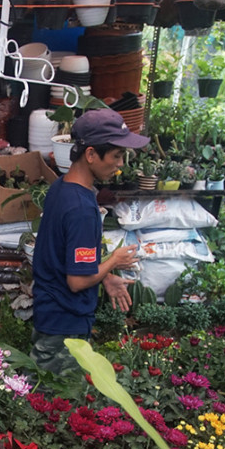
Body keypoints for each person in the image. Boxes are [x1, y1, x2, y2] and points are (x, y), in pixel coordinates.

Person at [31, 108, 148, 373]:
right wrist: (113, 261)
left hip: (51, 318)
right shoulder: (82, 209)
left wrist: (105, 276)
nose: (120, 164)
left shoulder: (62, 187)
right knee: (58, 405)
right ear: (91, 154)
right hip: (64, 327)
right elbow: (78, 281)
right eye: (117, 155)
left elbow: (67, 254)